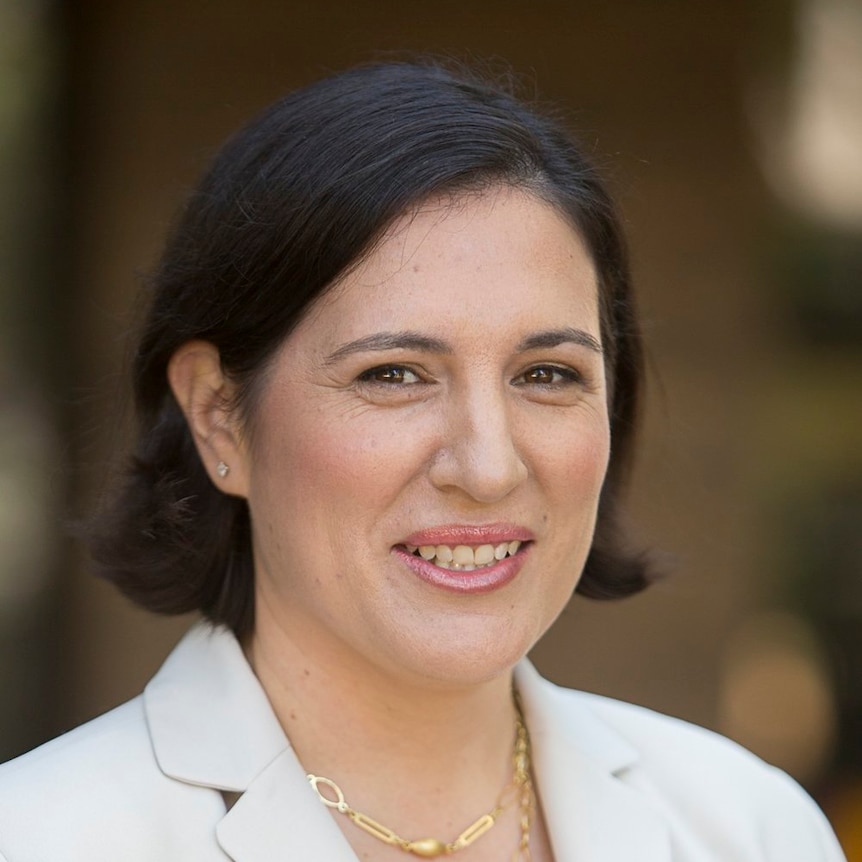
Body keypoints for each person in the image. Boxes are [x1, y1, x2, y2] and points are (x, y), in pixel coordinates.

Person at [0, 60, 846, 862]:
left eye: (546, 374)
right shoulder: (42, 836)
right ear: (221, 419)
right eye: (394, 374)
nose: (487, 467)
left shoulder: (748, 828)